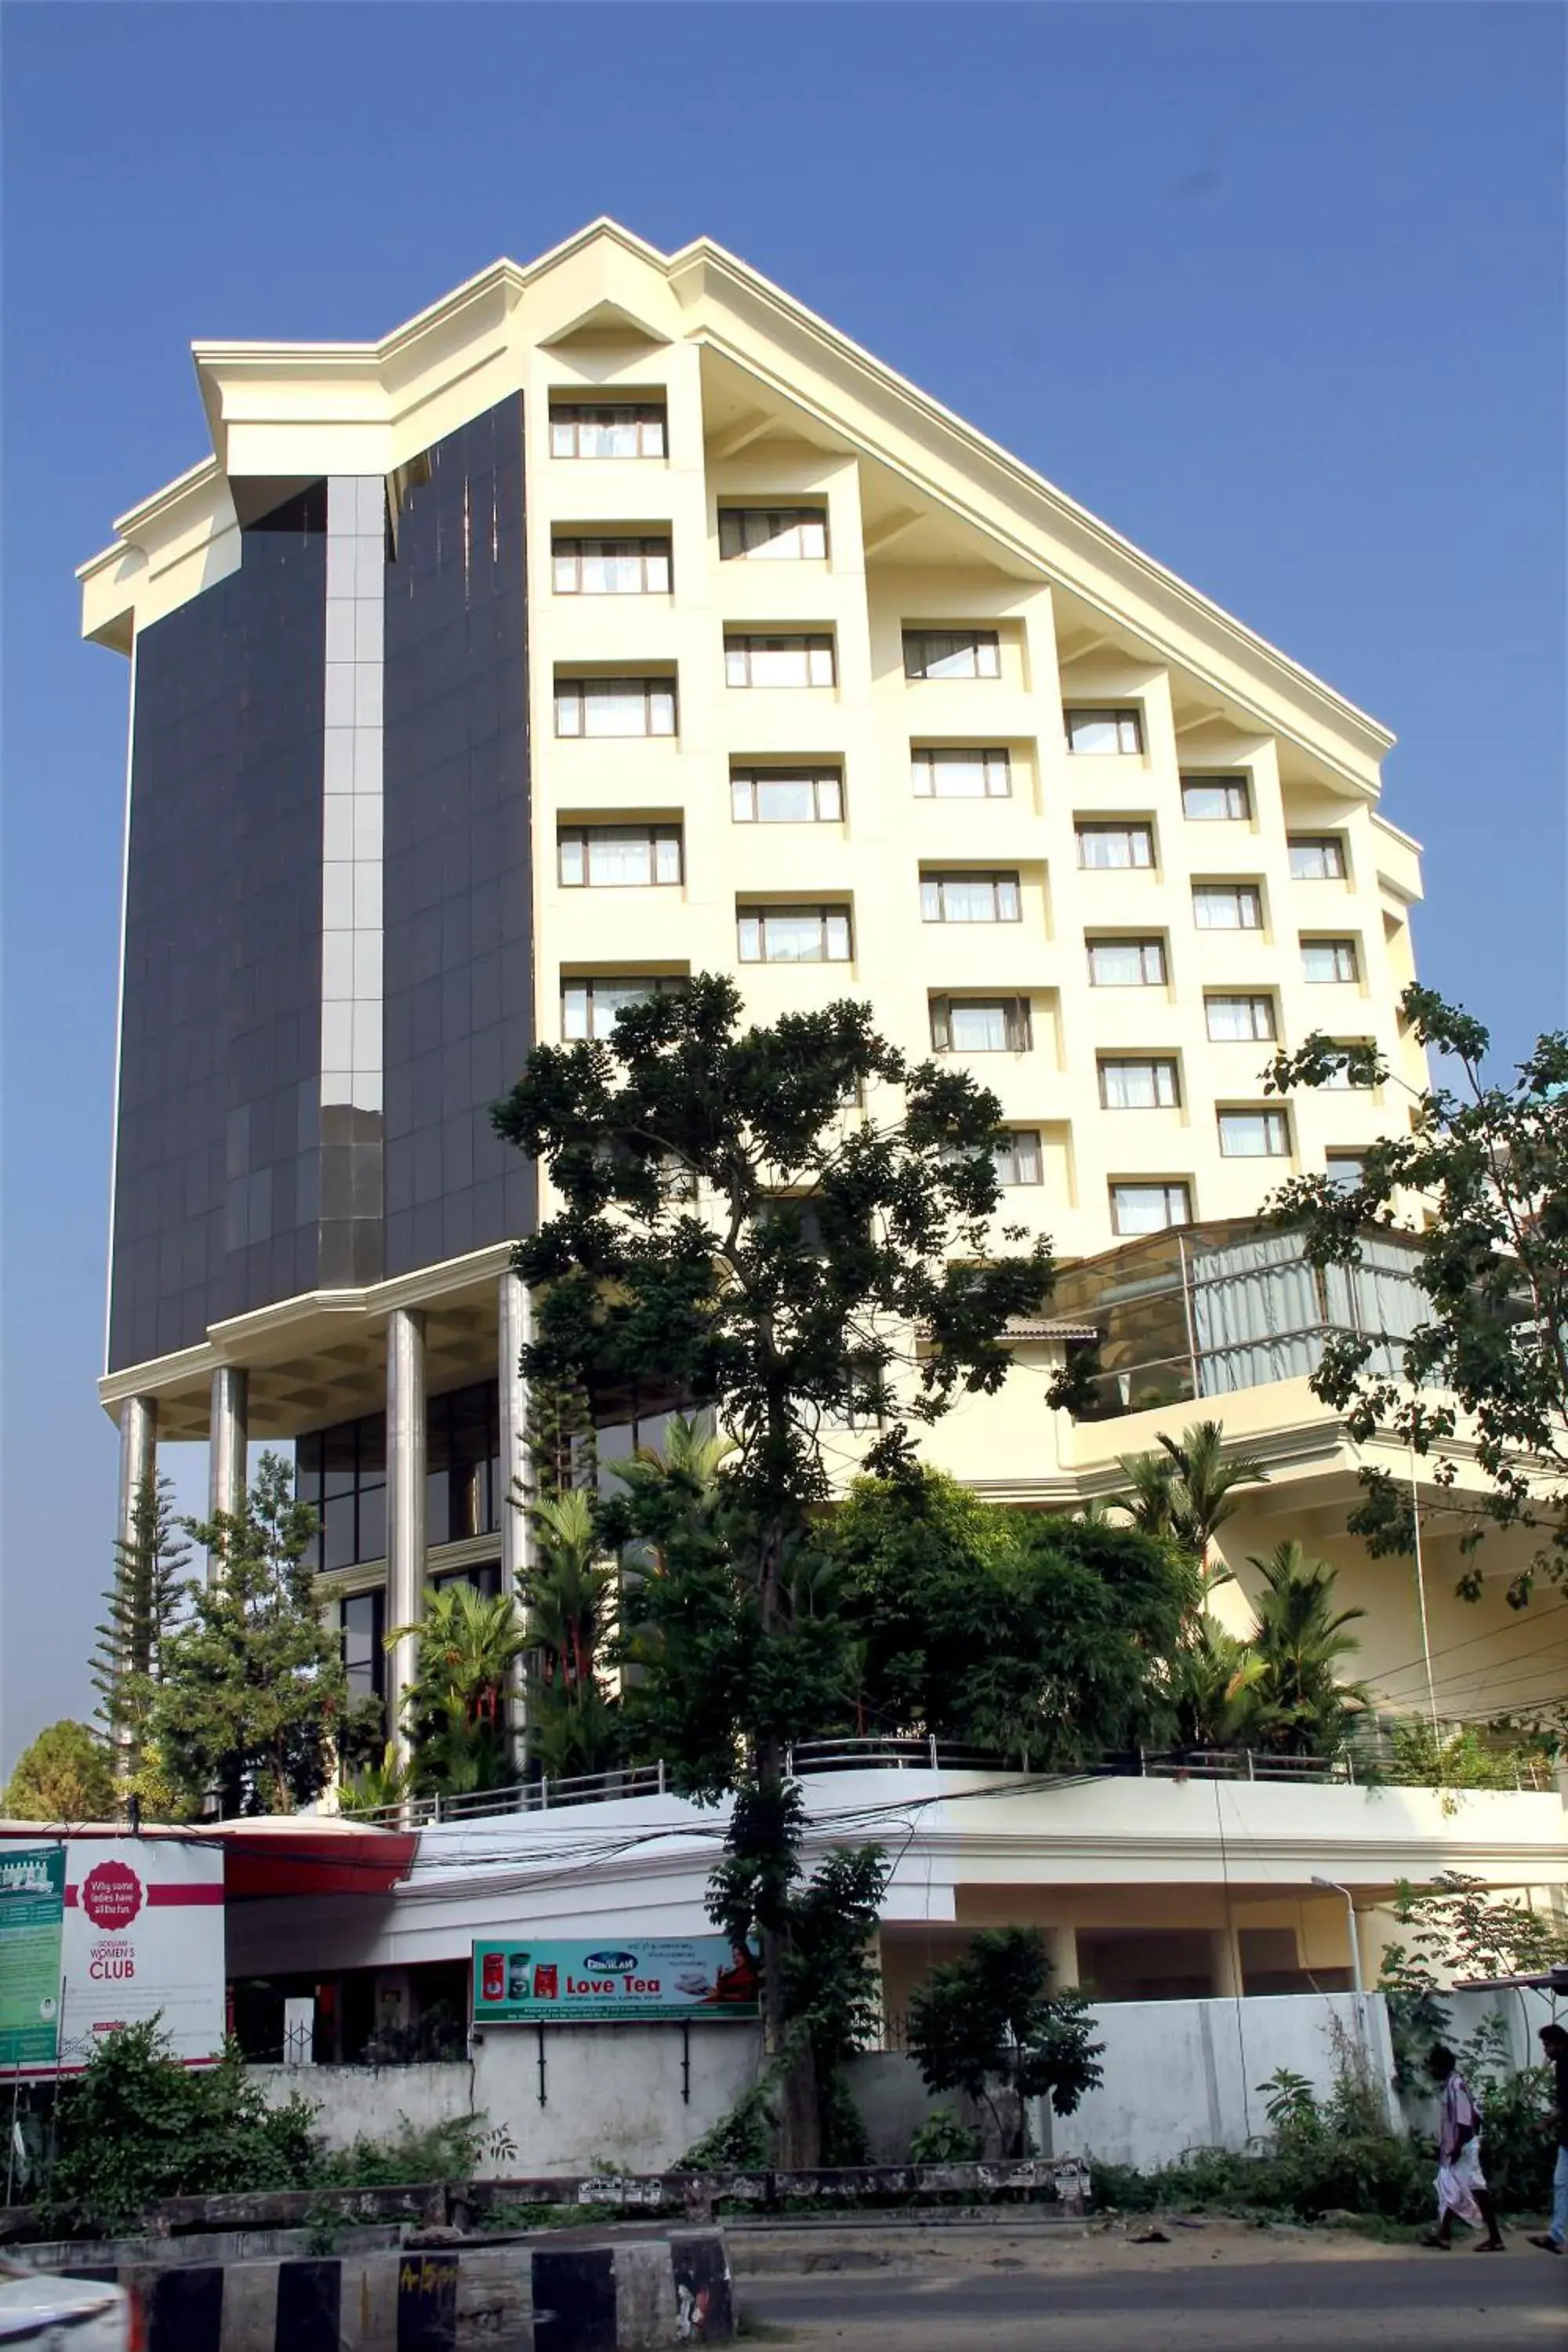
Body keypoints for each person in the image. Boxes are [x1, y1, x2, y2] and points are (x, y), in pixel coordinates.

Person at [1421, 2044, 1504, 2251]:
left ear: (1440, 2066)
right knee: (1451, 2188)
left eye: (1432, 2066)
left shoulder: (1455, 2086)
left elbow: (1466, 2121)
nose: (1431, 2072)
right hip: (1460, 2145)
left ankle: (1495, 2238)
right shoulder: (1451, 2084)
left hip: (1464, 2147)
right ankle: (1444, 2234)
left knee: (1474, 2188)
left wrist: (1458, 2148)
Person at [1526, 2020, 1566, 2256]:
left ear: (1559, 2045)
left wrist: (1545, 2124)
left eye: (1547, 2045)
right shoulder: (1561, 2065)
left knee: (1562, 2184)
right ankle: (1556, 2235)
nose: (1545, 2050)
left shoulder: (1566, 2066)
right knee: (1561, 2184)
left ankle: (1557, 2235)